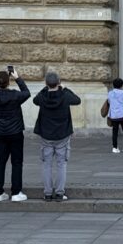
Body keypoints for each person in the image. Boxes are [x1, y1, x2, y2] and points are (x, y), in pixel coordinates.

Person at [33, 71, 81, 202]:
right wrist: (65, 88)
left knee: (46, 165)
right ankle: (59, 193)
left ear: (46, 83)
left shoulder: (43, 96)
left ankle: (48, 193)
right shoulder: (65, 95)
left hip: (46, 136)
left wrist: (45, 88)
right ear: (59, 82)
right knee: (61, 165)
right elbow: (77, 100)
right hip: (62, 135)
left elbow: (35, 100)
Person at [0, 66, 30, 202]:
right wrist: (17, 78)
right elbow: (27, 92)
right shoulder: (15, 95)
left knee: (0, 161)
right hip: (15, 132)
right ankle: (16, 192)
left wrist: (1, 78)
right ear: (8, 82)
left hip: (0, 133)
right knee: (16, 162)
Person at [107, 77, 123, 153]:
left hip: (114, 115)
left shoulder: (110, 93)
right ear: (121, 85)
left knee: (115, 132)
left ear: (113, 85)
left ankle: (115, 147)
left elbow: (109, 102)